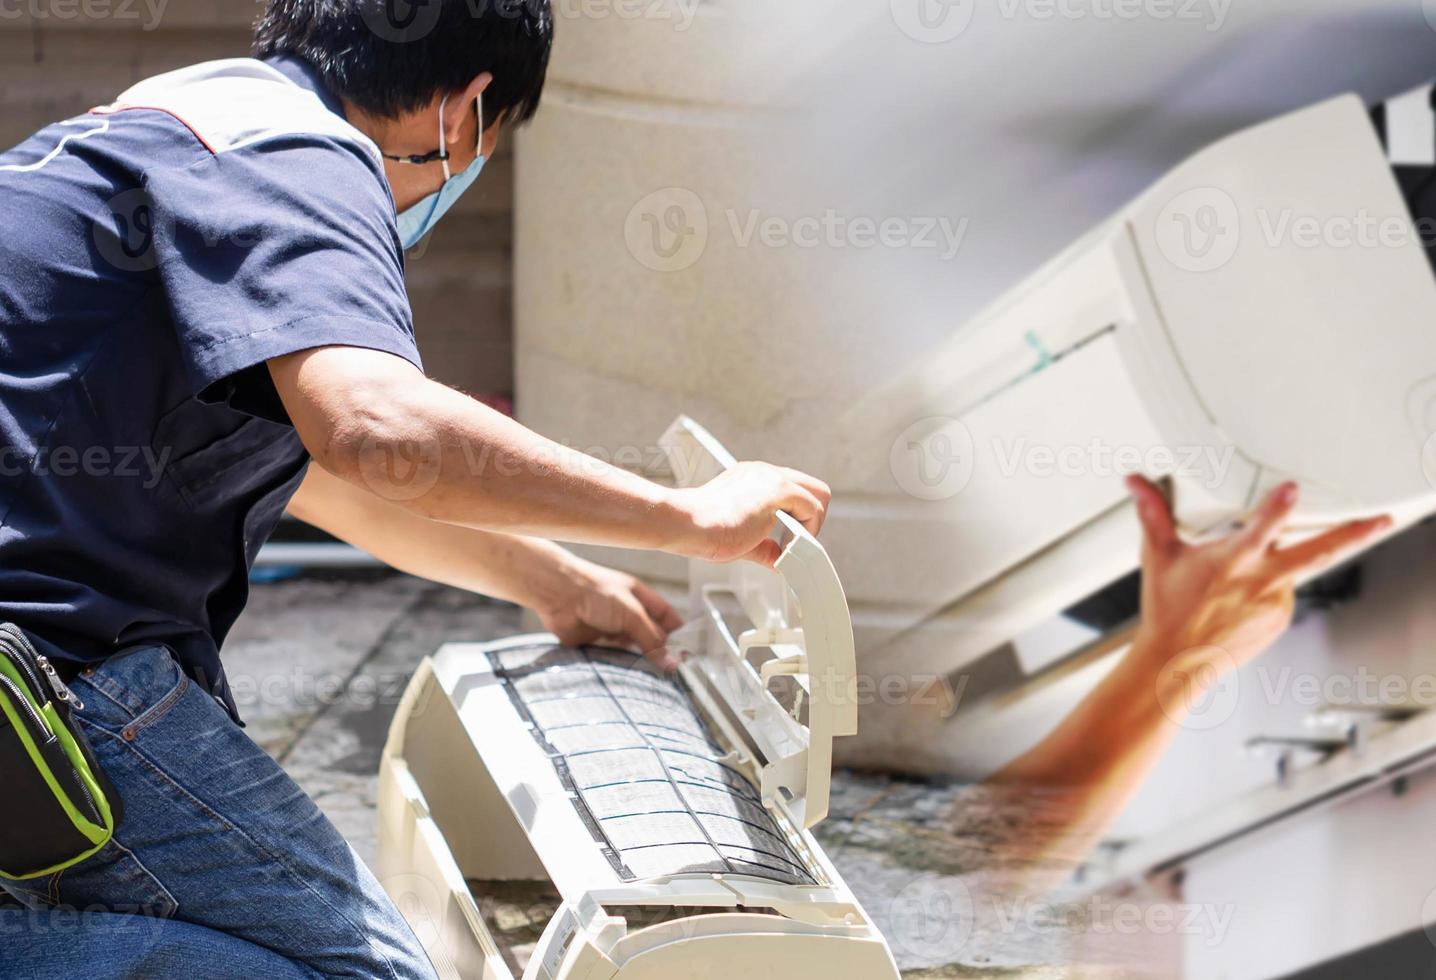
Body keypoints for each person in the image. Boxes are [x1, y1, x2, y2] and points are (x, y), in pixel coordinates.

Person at [0, 1, 830, 976]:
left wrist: (551, 579)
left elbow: (309, 471)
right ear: (465, 112)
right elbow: (379, 430)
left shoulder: (143, 139)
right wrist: (688, 519)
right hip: (52, 670)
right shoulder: (290, 156)